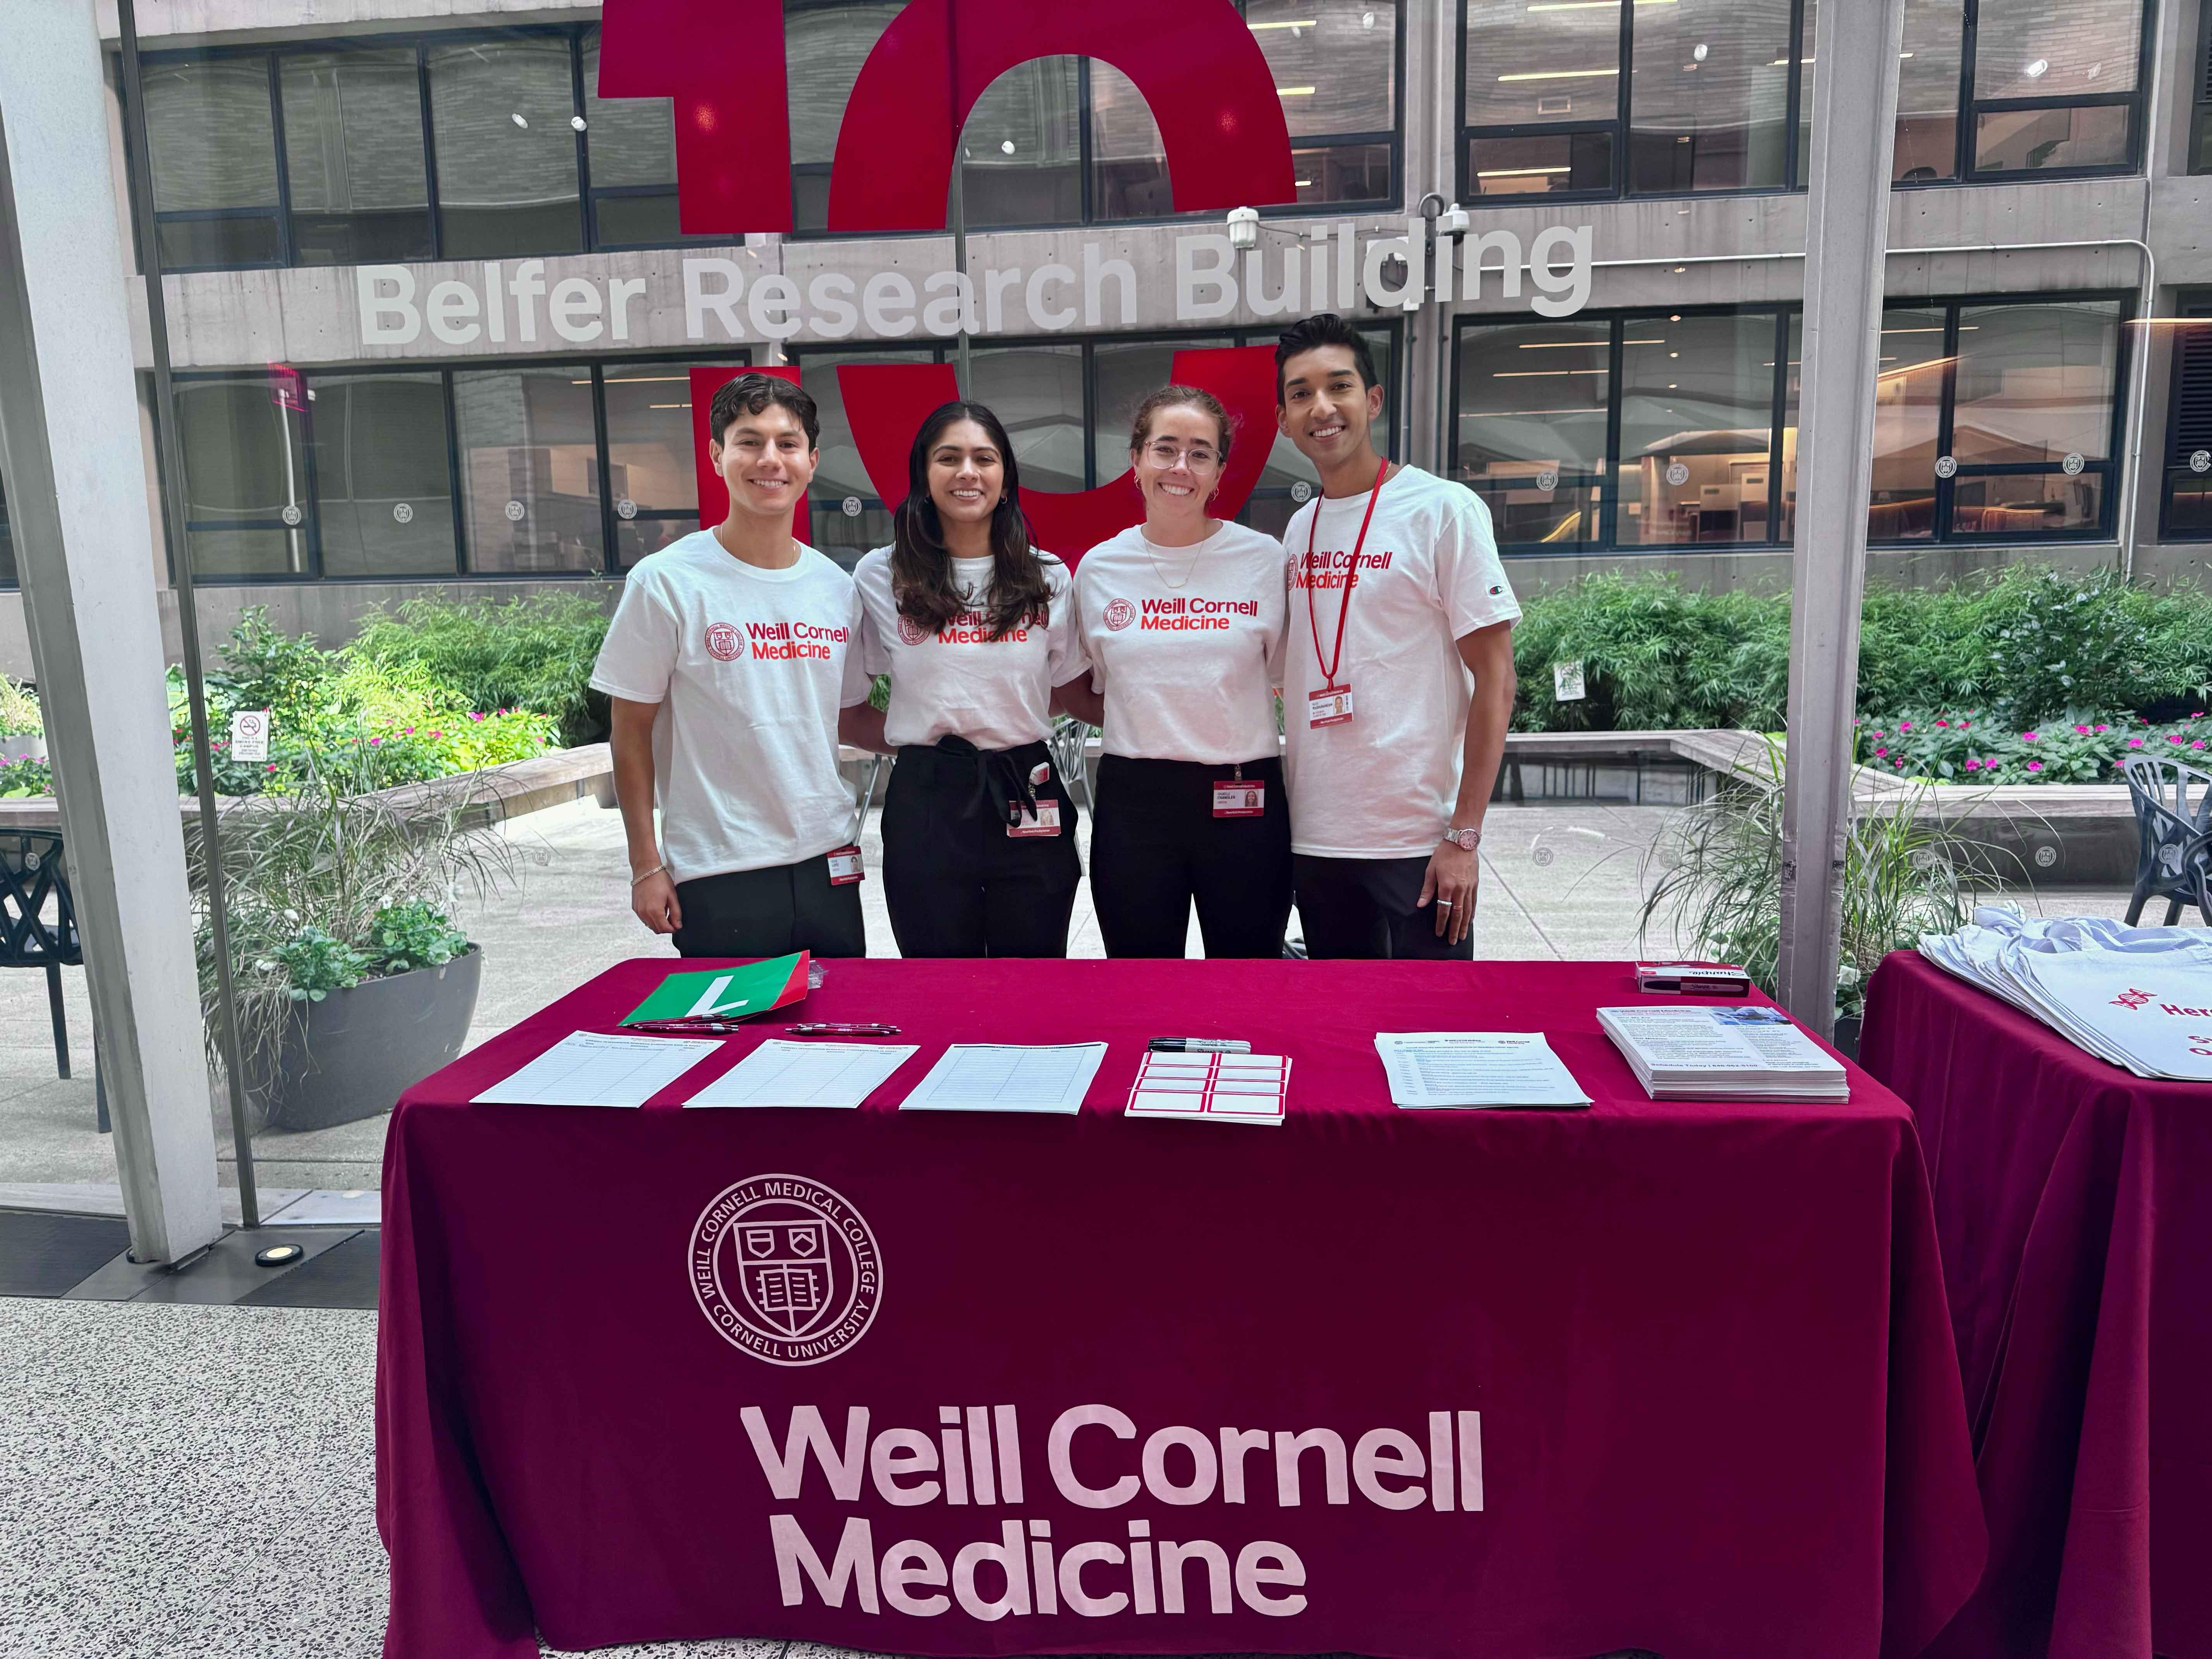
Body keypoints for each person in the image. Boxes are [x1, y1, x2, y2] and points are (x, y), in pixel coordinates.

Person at [589, 372, 871, 959]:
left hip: (828, 859)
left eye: (787, 444)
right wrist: (646, 866)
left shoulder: (834, 588)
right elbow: (630, 731)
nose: (770, 459)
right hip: (719, 868)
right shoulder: (667, 582)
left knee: (839, 1040)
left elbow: (843, 717)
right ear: (718, 456)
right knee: (735, 1046)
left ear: (811, 461)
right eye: (749, 441)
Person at [1274, 313, 1519, 959]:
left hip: (1418, 842)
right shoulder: (1300, 529)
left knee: (1431, 1038)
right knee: (1344, 1036)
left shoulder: (1443, 510)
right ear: (1283, 419)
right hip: (1318, 838)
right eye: (1300, 394)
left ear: (1373, 400)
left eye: (1339, 387)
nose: (1321, 408)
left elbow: (1497, 680)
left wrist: (1464, 837)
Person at [841, 401, 1091, 957]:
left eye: (985, 458)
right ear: (924, 478)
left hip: (1028, 786)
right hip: (928, 797)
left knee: (1032, 979)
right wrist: (924, 739)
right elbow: (849, 706)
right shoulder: (881, 575)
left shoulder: (1047, 575)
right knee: (936, 981)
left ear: (1006, 480)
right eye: (948, 458)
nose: (967, 472)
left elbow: (1069, 687)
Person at [1066, 386, 1291, 957]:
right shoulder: (1099, 568)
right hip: (1135, 799)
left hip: (1245, 792)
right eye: (1165, 449)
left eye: (1200, 453)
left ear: (1219, 473)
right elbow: (1079, 684)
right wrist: (1137, 712)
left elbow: (1292, 678)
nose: (1180, 467)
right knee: (1141, 981)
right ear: (1137, 462)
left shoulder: (1264, 561)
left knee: (1247, 978)